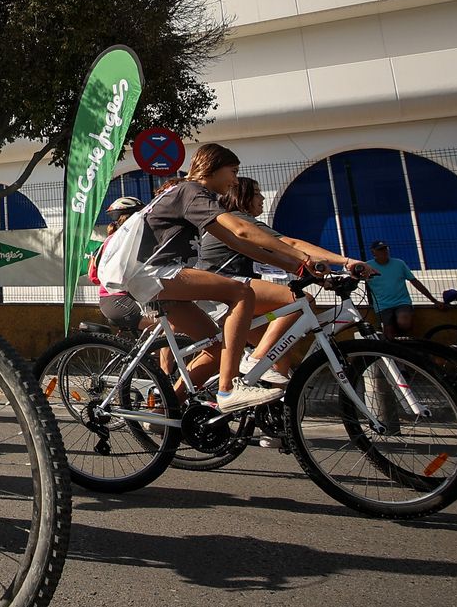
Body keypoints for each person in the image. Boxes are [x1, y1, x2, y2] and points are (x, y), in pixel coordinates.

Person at [129, 143, 316, 413]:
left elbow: (241, 245)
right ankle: (228, 390)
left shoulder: (191, 195)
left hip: (159, 278)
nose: (235, 180)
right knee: (241, 292)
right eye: (233, 171)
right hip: (153, 274)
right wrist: (304, 257)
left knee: (217, 348)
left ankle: (163, 412)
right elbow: (241, 230)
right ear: (213, 168)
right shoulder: (191, 191)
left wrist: (297, 266)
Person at [195, 177, 374, 380]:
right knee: (299, 301)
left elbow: (281, 258)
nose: (262, 197)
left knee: (278, 356)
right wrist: (345, 261)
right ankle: (255, 360)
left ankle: (174, 400)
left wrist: (322, 279)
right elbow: (292, 245)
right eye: (256, 193)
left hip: (225, 295)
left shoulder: (235, 220)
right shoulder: (241, 220)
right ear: (241, 196)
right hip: (223, 290)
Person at [90, 196, 146, 332]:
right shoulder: (125, 240)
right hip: (119, 299)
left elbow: (95, 276)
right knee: (169, 323)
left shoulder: (111, 239)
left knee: (164, 330)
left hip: (114, 299)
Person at [365, 240, 440, 337]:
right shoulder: (367, 266)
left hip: (401, 302)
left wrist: (433, 300)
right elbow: (355, 279)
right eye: (380, 250)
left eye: (385, 249)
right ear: (373, 252)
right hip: (382, 305)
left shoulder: (399, 264)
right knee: (388, 332)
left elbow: (414, 281)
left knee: (404, 323)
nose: (384, 252)